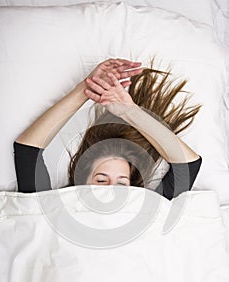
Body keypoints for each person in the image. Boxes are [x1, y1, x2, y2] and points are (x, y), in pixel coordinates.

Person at [13, 58, 202, 200]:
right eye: (101, 181)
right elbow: (27, 151)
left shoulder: (149, 209)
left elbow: (187, 164)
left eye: (121, 184)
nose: (111, 190)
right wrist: (87, 88)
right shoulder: (51, 207)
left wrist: (130, 112)